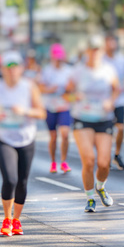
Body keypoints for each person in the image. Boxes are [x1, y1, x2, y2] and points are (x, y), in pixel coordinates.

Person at [0, 51, 46, 236]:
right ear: (2, 69)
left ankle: (17, 219)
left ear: (21, 68)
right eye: (8, 67)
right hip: (4, 137)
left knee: (22, 181)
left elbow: (41, 112)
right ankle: (7, 218)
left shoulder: (29, 87)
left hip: (26, 137)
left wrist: (24, 111)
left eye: (15, 67)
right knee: (10, 179)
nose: (11, 71)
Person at [65, 35, 120, 213]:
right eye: (92, 49)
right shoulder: (78, 71)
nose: (95, 53)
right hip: (82, 118)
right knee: (88, 159)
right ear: (87, 51)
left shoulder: (109, 70)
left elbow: (116, 90)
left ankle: (100, 187)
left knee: (104, 163)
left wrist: (110, 102)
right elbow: (66, 94)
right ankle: (90, 199)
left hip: (103, 119)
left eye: (98, 49)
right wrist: (75, 97)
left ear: (102, 51)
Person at [39, 43, 73, 173]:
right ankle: (53, 161)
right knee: (53, 137)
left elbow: (73, 88)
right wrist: (50, 89)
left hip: (64, 106)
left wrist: (68, 92)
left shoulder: (69, 70)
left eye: (60, 57)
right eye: (56, 57)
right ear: (52, 57)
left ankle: (64, 161)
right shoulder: (47, 70)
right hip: (50, 106)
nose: (58, 60)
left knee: (64, 134)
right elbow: (40, 88)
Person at [103, 34, 124, 170]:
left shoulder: (123, 60)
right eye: (109, 43)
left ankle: (117, 154)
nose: (112, 46)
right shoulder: (101, 59)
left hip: (120, 99)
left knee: (120, 127)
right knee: (107, 130)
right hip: (105, 100)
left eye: (113, 43)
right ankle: (105, 155)